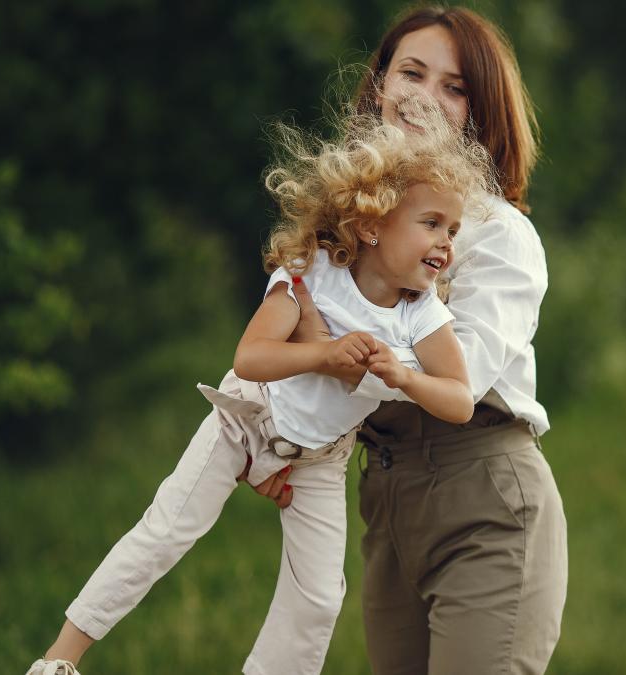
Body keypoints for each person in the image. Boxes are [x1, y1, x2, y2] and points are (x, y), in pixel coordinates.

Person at [24, 103, 495, 675]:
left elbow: (459, 400)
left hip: (319, 460)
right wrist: (324, 354)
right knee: (167, 530)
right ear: (371, 223)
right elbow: (250, 358)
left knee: (319, 597)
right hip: (246, 419)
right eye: (431, 224)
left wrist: (403, 375)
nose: (446, 243)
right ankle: (59, 659)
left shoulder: (421, 316)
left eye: (452, 229)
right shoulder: (310, 272)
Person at [255, 7, 569, 674]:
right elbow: (300, 355)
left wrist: (328, 352)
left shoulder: (497, 233)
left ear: (481, 114)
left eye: (455, 88)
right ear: (378, 88)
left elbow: (461, 382)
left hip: (483, 491)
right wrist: (279, 439)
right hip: (388, 496)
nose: (426, 97)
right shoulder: (352, 229)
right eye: (412, 73)